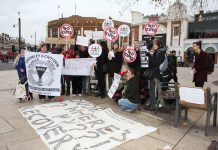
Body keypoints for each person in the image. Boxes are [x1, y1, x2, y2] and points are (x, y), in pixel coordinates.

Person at [144, 39, 165, 111]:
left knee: (155, 91)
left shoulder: (161, 53)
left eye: (155, 44)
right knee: (152, 90)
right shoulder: (156, 52)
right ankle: (153, 104)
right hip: (152, 74)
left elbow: (156, 63)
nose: (154, 46)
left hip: (156, 74)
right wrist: (149, 54)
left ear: (159, 45)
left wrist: (151, 55)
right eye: (153, 44)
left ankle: (155, 105)